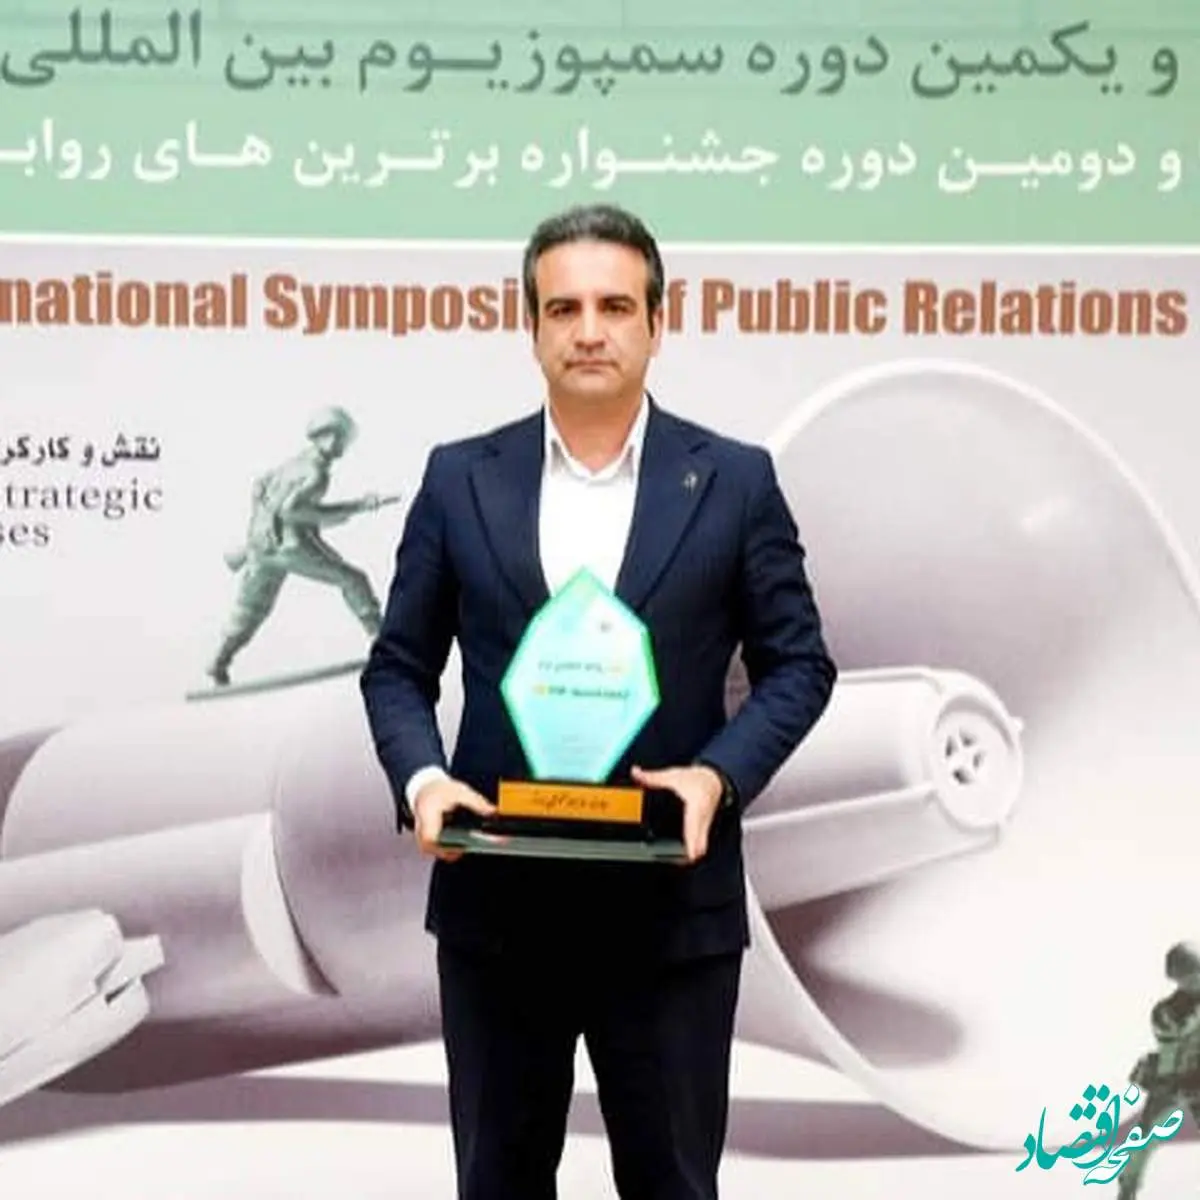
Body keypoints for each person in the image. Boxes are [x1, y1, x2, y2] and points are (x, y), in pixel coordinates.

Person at [360, 203, 837, 1199]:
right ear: (529, 326)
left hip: (671, 916)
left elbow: (799, 665)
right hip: (498, 908)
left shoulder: (736, 482)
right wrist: (423, 781)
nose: (589, 330)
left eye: (616, 307)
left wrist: (717, 778)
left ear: (658, 324)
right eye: (564, 308)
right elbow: (397, 667)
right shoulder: (459, 479)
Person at [207, 406, 387, 686]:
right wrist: (356, 506)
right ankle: (384, 645)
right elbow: (294, 511)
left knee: (252, 608)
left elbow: (259, 487)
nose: (341, 445)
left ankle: (219, 661)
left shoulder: (292, 464)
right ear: (331, 438)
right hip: (290, 548)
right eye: (341, 439)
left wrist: (261, 529)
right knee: (354, 580)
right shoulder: (316, 473)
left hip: (262, 547)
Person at [1115, 941, 1200, 1199]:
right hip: (1169, 1082)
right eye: (1187, 976)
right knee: (1142, 1141)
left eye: (1195, 974)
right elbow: (1168, 1033)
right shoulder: (1168, 1010)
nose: (1193, 981)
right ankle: (1127, 1189)